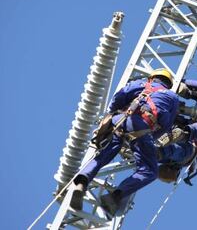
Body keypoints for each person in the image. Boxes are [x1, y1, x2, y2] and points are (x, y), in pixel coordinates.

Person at [70, 68, 179, 215]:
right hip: (142, 127)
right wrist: (148, 137)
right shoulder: (172, 97)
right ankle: (116, 196)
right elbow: (166, 125)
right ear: (168, 84)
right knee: (149, 171)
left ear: (151, 79)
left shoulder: (140, 84)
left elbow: (119, 97)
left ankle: (82, 181)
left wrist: (112, 115)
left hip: (119, 121)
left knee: (103, 155)